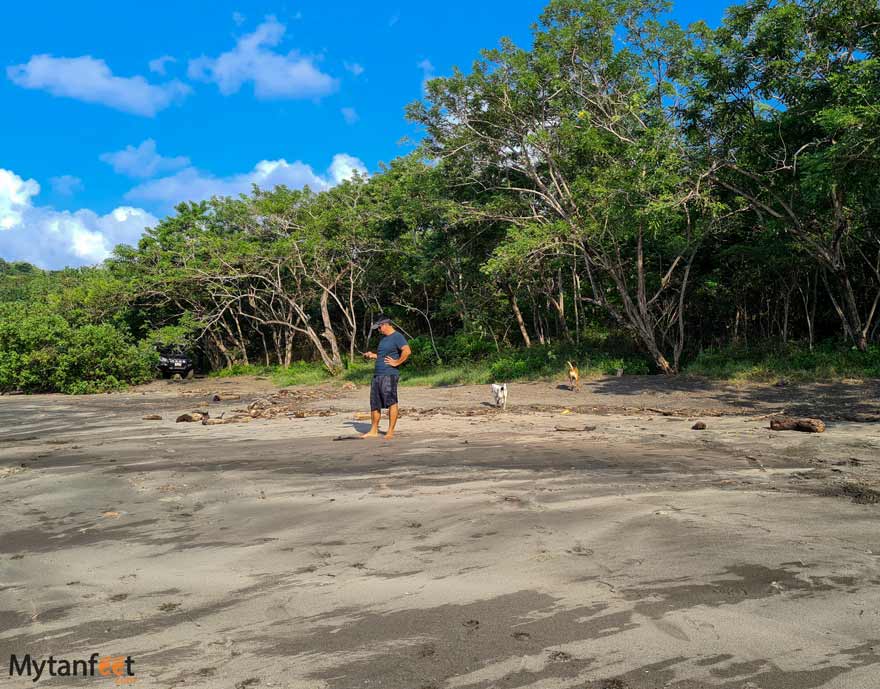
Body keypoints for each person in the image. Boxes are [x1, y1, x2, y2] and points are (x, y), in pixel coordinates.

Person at [361, 315, 411, 440]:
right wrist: (373, 355)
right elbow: (384, 356)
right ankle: (373, 430)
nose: (378, 330)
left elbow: (407, 351)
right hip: (377, 375)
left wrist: (397, 362)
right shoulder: (384, 339)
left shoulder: (397, 337)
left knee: (391, 402)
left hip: (389, 374)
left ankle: (390, 431)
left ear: (385, 324)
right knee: (375, 403)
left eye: (379, 328)